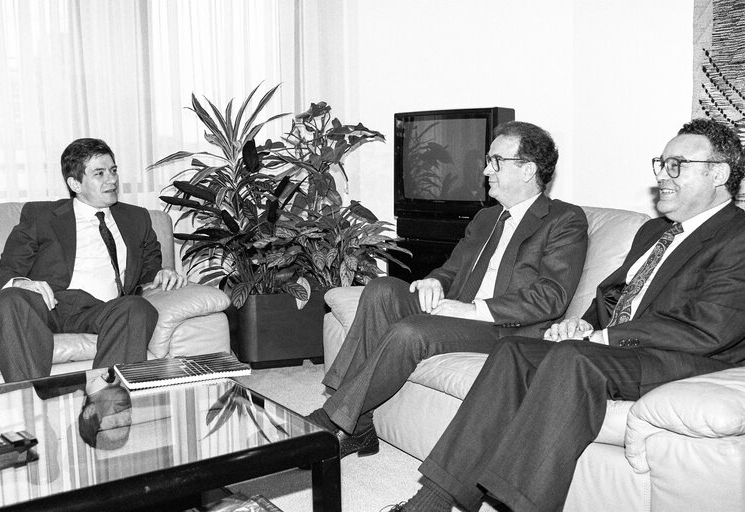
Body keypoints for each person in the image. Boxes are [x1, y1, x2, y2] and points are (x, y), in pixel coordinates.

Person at [392, 118, 745, 512]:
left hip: (688, 358)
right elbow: (614, 298)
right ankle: (435, 500)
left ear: (719, 174)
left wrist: (603, 338)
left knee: (573, 358)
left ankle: (519, 505)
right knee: (513, 351)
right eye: (660, 163)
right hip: (624, 349)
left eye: (676, 165)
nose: (663, 175)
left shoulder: (738, 236)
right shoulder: (654, 233)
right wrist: (586, 324)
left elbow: (711, 327)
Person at [308, 121, 589, 458]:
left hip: (505, 330)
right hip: (457, 312)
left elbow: (551, 296)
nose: (486, 170)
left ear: (528, 169)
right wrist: (434, 282)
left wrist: (474, 310)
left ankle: (332, 420)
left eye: (496, 161)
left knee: (413, 331)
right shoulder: (486, 218)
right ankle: (361, 425)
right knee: (382, 288)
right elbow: (450, 270)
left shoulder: (564, 220)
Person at [0, 138, 188, 383]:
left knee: (137, 307)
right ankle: (31, 397)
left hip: (100, 310)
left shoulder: (137, 218)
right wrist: (21, 283)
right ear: (75, 183)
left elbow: (150, 268)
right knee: (9, 298)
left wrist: (162, 273)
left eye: (113, 171)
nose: (111, 180)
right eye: (99, 173)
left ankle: (104, 401)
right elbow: (3, 275)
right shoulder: (41, 216)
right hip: (47, 306)